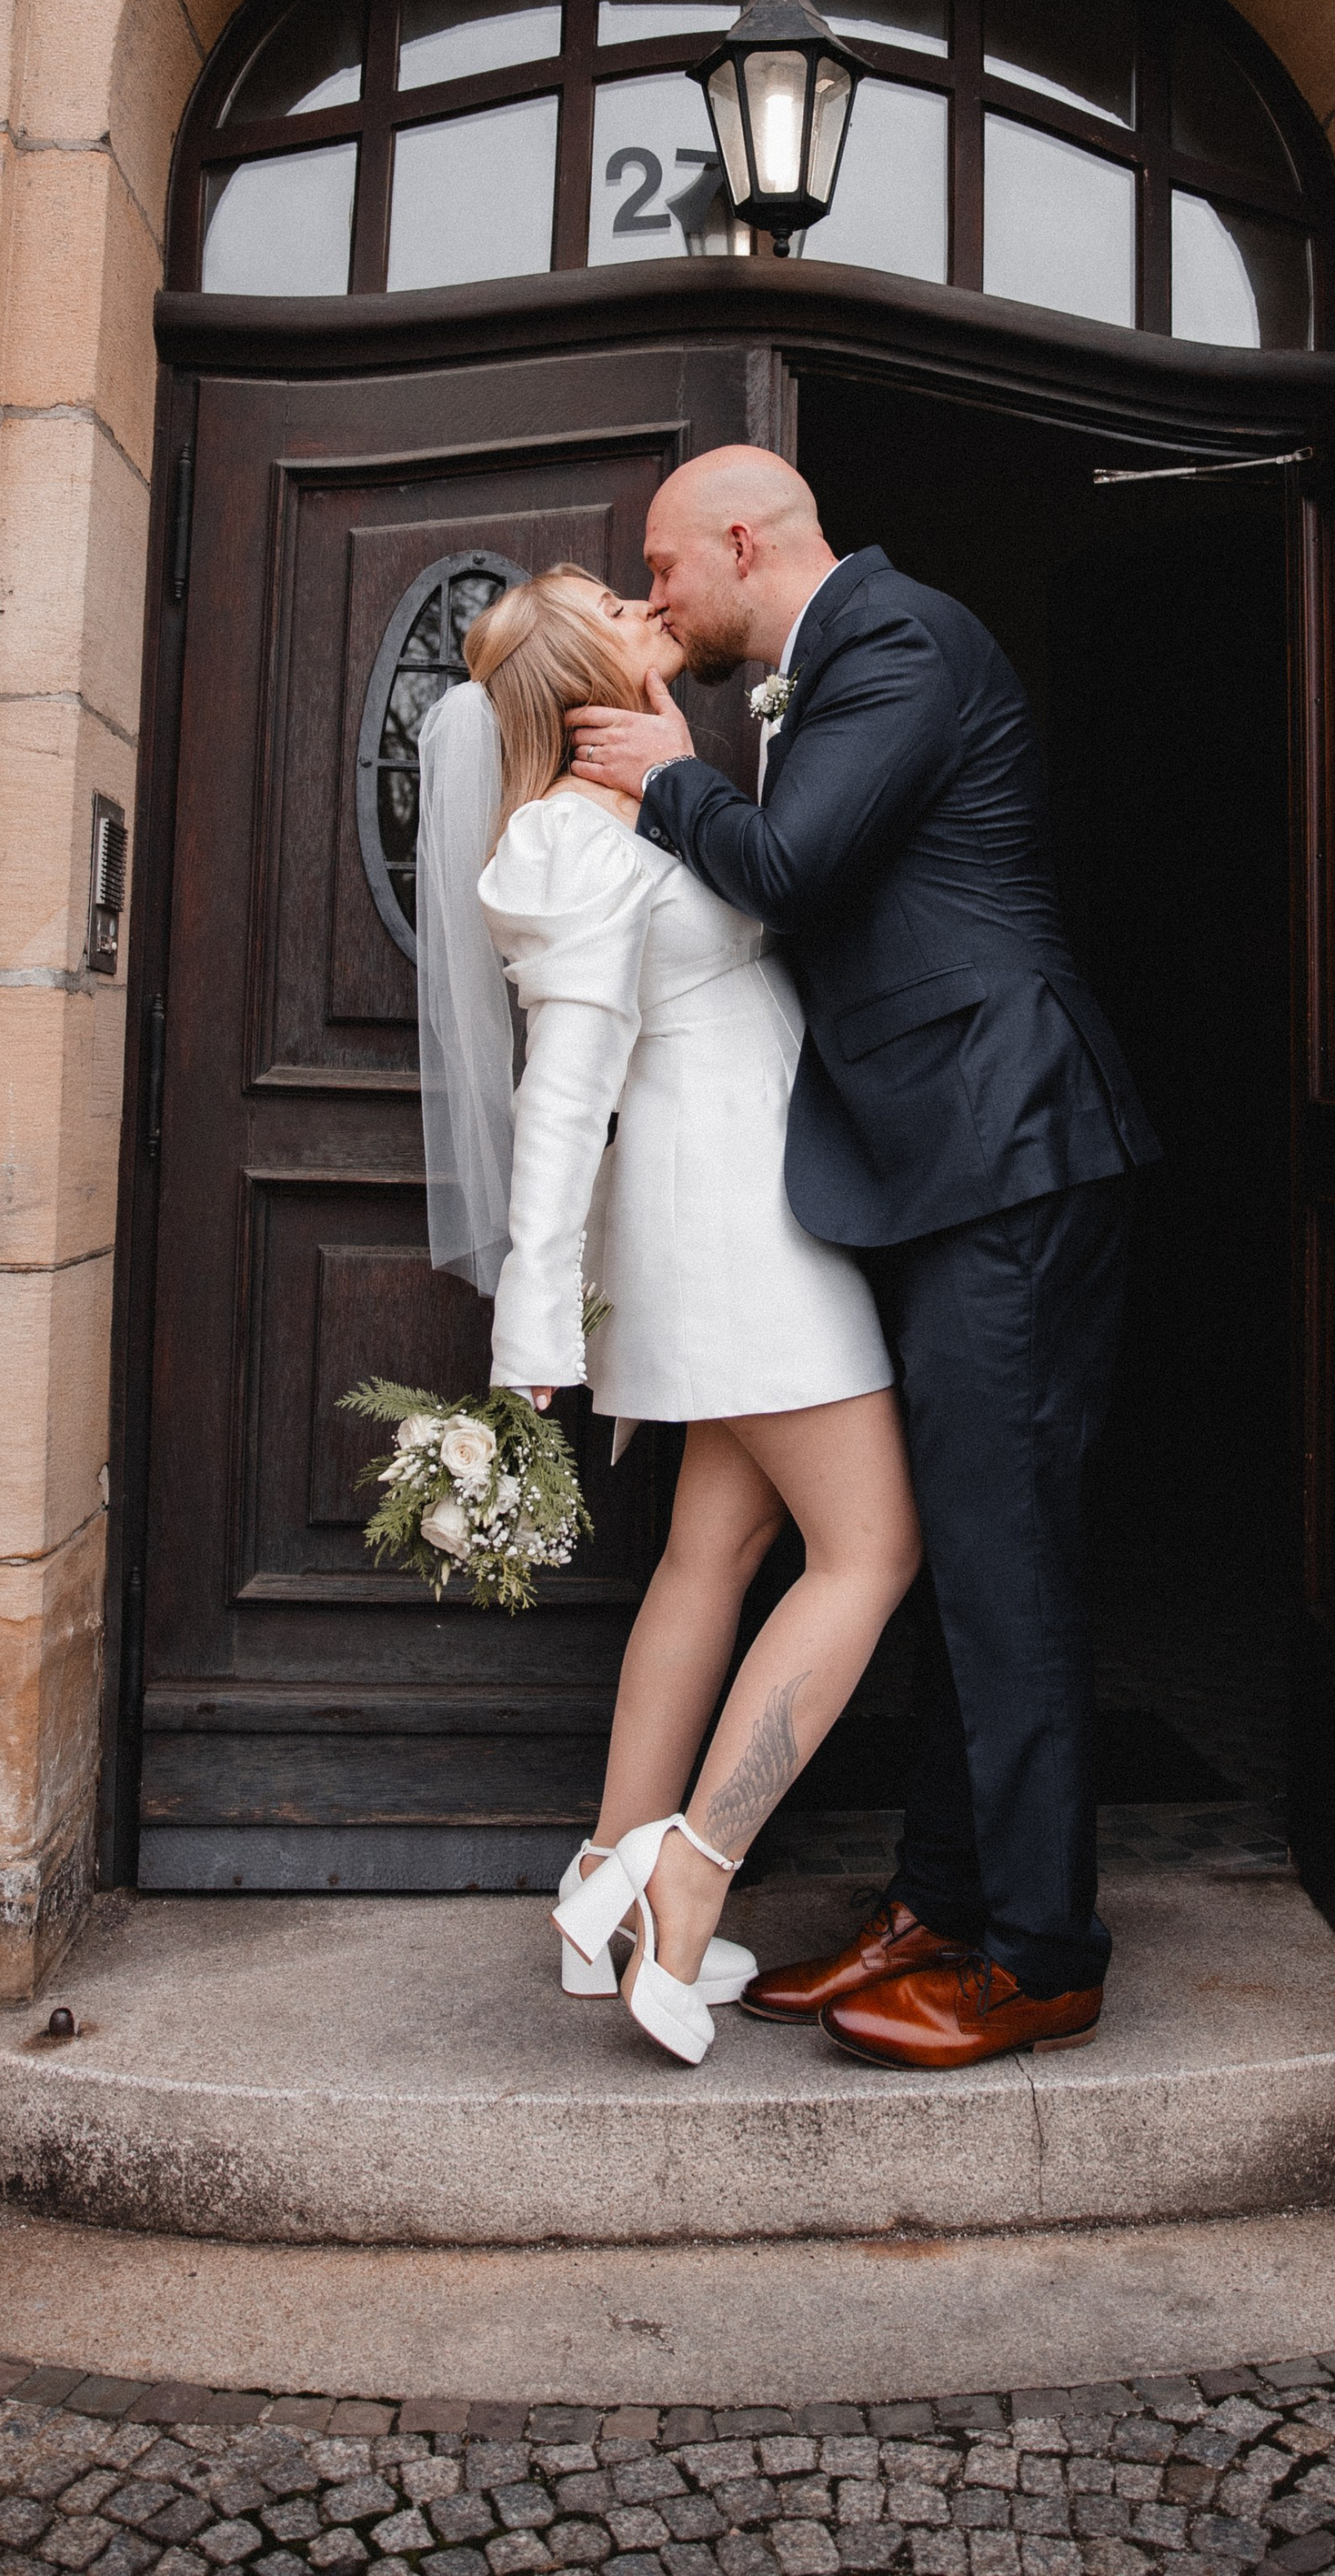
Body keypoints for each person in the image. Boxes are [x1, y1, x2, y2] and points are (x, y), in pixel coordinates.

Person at [567, 448, 1159, 2070]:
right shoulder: (831, 662)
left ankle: (1040, 1953)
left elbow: (794, 867)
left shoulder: (892, 639)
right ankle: (939, 1905)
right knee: (967, 1550)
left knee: (1004, 1557)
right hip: (939, 1174)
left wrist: (664, 771)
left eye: (667, 564)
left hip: (1009, 1159)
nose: (660, 591)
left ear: (745, 542)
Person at [415, 566, 920, 2068]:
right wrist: (532, 1343)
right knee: (873, 1548)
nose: (653, 608)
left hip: (757, 1208)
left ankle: (599, 1884)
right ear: (589, 678)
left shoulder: (660, 800)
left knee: (721, 1544)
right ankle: (686, 1876)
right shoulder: (566, 844)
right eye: (620, 607)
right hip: (734, 1231)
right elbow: (561, 1105)